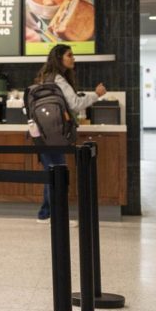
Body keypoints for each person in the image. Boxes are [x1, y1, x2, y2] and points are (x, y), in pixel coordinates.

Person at [33, 44, 107, 221]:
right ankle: (53, 216)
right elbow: (75, 104)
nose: (73, 58)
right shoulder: (58, 79)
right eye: (69, 55)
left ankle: (46, 214)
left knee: (52, 174)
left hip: (41, 133)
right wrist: (96, 95)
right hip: (56, 134)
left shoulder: (43, 78)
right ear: (60, 58)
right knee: (57, 175)